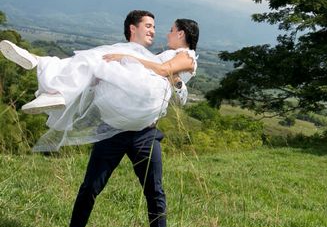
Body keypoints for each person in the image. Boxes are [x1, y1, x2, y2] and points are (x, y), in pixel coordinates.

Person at [1, 10, 199, 227]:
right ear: (132, 28)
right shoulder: (137, 54)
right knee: (91, 186)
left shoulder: (183, 58)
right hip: (112, 130)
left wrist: (173, 80)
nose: (157, 32)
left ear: (180, 34)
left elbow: (175, 91)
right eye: (149, 26)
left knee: (154, 191)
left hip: (145, 134)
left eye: (164, 28)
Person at [0, 13, 199, 151]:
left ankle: (43, 67)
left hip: (148, 96)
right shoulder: (173, 54)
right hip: (141, 97)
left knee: (98, 59)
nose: (166, 33)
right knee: (95, 65)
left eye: (172, 30)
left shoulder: (188, 56)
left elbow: (164, 70)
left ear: (181, 34)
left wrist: (129, 58)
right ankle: (53, 86)